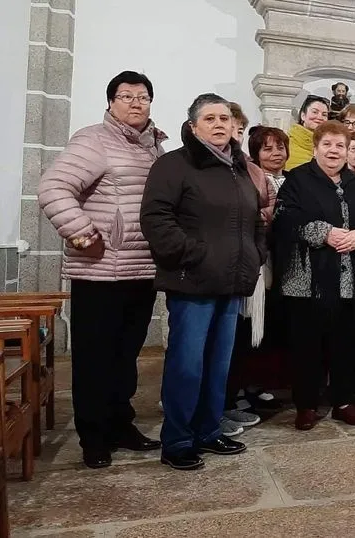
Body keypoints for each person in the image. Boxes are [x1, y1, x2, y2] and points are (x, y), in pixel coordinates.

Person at [38, 71, 166, 469]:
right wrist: (82, 233)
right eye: (125, 96)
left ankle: (120, 425)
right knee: (94, 357)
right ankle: (93, 437)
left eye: (142, 96)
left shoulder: (155, 148)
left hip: (141, 268)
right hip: (99, 270)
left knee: (126, 356)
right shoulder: (94, 139)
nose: (135, 102)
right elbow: (53, 187)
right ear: (111, 102)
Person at [141, 93, 265, 470]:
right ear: (193, 127)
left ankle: (208, 431)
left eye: (225, 118)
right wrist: (193, 254)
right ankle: (177, 440)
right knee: (187, 365)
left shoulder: (239, 167)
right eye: (209, 119)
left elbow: (255, 219)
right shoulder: (173, 165)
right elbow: (156, 218)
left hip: (230, 282)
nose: (219, 125)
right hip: (192, 281)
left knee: (217, 364)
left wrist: (256, 254)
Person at [273, 120, 355, 429]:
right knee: (307, 345)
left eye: (340, 145)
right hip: (307, 282)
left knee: (347, 344)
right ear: (315, 148)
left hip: (349, 281)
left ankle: (343, 401)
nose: (334, 151)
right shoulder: (297, 180)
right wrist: (324, 232)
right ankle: (306, 405)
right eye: (327, 144)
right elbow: (285, 220)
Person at [221, 103, 277, 436]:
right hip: (212, 265)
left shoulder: (251, 172)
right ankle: (206, 409)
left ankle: (226, 403)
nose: (233, 133)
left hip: (249, 263)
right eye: (228, 126)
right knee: (210, 344)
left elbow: (265, 212)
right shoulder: (190, 164)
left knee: (238, 340)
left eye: (239, 129)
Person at [286, 95, 330, 171]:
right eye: (315, 112)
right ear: (303, 115)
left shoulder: (330, 145)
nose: (319, 117)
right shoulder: (287, 144)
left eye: (324, 114)